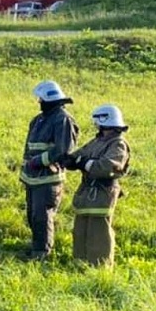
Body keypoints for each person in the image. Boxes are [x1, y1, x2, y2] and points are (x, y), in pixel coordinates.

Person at [61, 104, 131, 267]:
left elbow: (107, 167)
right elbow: (81, 155)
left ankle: (100, 269)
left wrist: (85, 163)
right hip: (87, 192)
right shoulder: (98, 140)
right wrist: (69, 160)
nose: (96, 125)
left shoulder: (118, 144)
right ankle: (80, 265)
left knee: (98, 232)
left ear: (105, 120)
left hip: (102, 193)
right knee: (81, 230)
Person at [20, 81, 79, 259]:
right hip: (32, 178)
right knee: (32, 215)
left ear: (49, 99)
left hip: (48, 179)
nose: (39, 102)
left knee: (42, 217)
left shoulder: (63, 120)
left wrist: (40, 161)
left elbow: (63, 149)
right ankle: (36, 246)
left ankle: (41, 253)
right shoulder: (38, 120)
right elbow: (29, 148)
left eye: (41, 99)